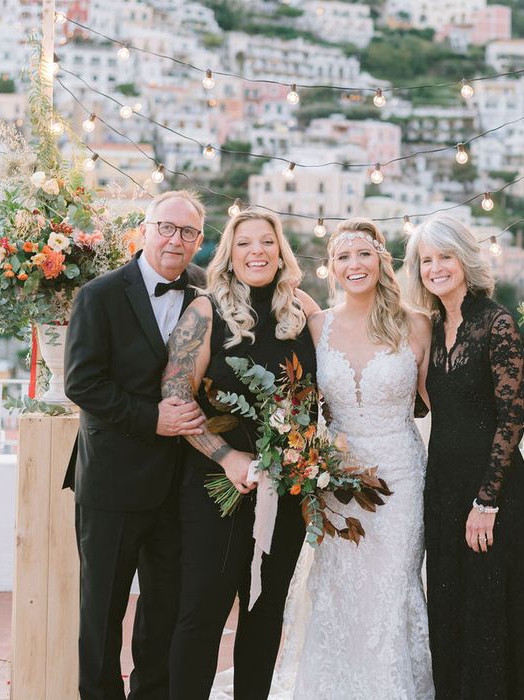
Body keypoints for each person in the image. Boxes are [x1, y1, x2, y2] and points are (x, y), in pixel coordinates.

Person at [270, 218, 434, 699]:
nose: (354, 264)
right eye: (343, 257)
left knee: (390, 588)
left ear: (382, 260)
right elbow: (295, 400)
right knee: (338, 587)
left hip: (401, 477)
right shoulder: (316, 325)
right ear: (332, 269)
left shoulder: (417, 324)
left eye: (363, 253)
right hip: (336, 481)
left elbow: (438, 406)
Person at [162, 209, 319, 700]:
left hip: (286, 489)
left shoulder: (302, 310)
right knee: (202, 613)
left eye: (267, 242)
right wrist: (226, 456)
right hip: (217, 487)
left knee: (266, 612)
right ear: (229, 255)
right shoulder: (205, 311)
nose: (257, 251)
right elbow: (175, 396)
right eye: (245, 242)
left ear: (280, 252)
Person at [64, 190, 208, 700]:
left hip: (181, 482)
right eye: (167, 227)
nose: (176, 239)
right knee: (102, 610)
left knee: (164, 608)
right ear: (144, 230)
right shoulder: (99, 295)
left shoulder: (204, 293)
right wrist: (154, 419)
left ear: (199, 242)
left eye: (188, 232)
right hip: (112, 480)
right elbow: (82, 383)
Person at [404, 214, 524, 699]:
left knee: (488, 609)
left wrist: (487, 502)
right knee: (449, 606)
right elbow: (421, 403)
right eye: (426, 260)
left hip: (489, 487)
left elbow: (512, 420)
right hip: (442, 484)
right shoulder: (434, 326)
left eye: (445, 256)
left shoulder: (496, 323)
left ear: (465, 258)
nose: (436, 267)